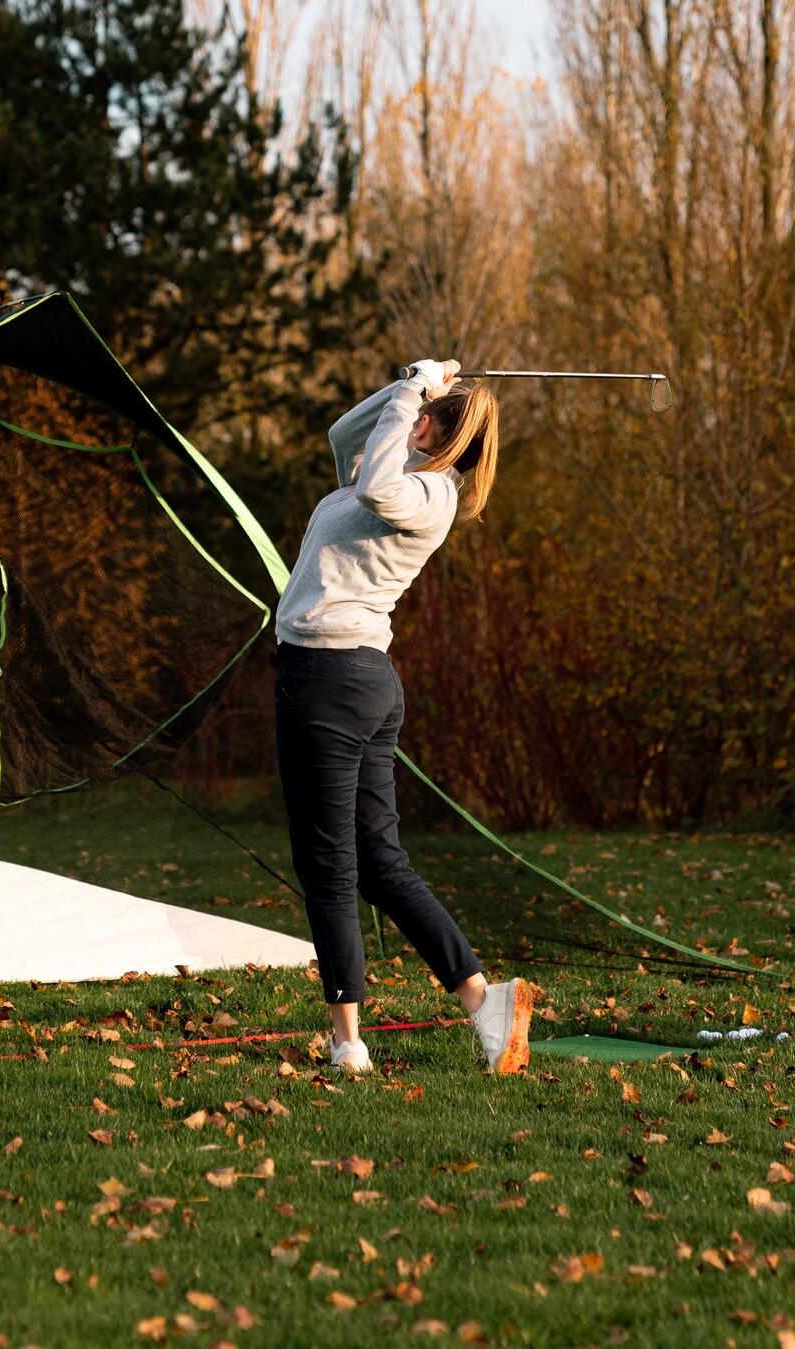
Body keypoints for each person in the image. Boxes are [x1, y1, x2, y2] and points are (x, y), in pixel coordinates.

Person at [272, 358, 534, 1075]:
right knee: (379, 862)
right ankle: (485, 1001)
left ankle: (347, 1042)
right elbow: (341, 435)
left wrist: (418, 394)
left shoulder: (423, 492)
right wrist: (409, 386)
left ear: (437, 436)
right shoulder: (398, 462)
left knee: (328, 863)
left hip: (327, 677)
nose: (408, 419)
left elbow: (375, 484)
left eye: (420, 416)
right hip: (355, 680)